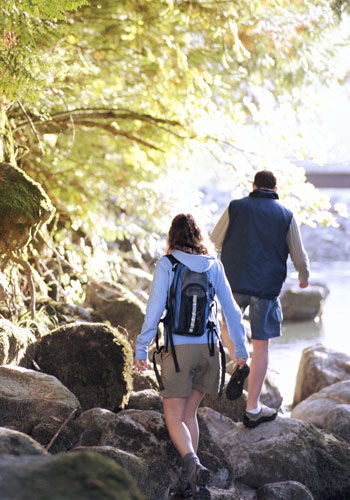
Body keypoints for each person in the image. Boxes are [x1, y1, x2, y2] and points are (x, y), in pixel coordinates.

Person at [134, 213, 248, 500]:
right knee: (189, 414)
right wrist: (242, 351)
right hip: (209, 352)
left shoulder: (167, 264)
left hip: (178, 351)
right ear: (199, 236)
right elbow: (232, 312)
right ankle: (192, 485)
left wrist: (141, 348)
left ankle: (194, 465)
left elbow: (154, 311)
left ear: (172, 237)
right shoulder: (213, 265)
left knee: (173, 416)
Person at [210, 170, 310, 428]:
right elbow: (298, 253)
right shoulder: (285, 214)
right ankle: (252, 408)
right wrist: (304, 275)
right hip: (266, 288)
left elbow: (213, 243)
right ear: (276, 188)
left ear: (253, 186)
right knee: (262, 345)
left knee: (227, 327)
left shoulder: (235, 207)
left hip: (234, 282)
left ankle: (240, 363)